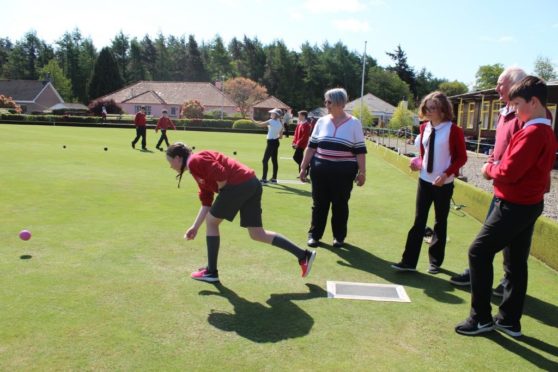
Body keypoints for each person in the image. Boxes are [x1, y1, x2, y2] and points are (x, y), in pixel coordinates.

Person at [455, 76, 557, 337]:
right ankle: (509, 320)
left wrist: (490, 168)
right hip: (527, 204)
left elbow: (509, 170)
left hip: (514, 204)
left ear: (533, 103)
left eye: (517, 103)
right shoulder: (541, 129)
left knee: (478, 252)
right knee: (514, 263)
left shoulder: (534, 132)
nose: (513, 109)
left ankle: (481, 318)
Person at [165, 142, 317, 283]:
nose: (170, 166)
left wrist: (225, 192)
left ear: (178, 158)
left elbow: (221, 174)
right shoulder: (194, 168)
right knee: (257, 234)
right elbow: (206, 201)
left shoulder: (194, 161)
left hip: (240, 184)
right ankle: (304, 255)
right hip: (251, 183)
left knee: (212, 222)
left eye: (170, 161)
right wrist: (195, 227)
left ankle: (211, 272)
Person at [450, 67, 527, 292]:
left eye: (500, 83)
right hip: (501, 185)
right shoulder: (504, 113)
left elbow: (519, 154)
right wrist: (492, 160)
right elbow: (500, 146)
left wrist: (494, 168)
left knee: (504, 241)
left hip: (516, 190)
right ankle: (485, 276)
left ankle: (501, 281)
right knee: (495, 235)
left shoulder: (524, 116)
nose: (496, 88)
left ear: (515, 86)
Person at [391, 91, 467, 274]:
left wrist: (447, 174)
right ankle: (408, 262)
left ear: (443, 110)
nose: (429, 111)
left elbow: (461, 158)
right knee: (419, 221)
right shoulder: (424, 128)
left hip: (444, 183)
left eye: (433, 108)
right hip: (424, 181)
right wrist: (417, 163)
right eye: (426, 108)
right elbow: (425, 153)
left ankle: (435, 262)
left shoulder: (453, 130)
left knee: (440, 222)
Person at [299, 88, 367, 248]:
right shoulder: (321, 122)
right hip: (320, 170)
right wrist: (303, 167)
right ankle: (314, 236)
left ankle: (339, 237)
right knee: (319, 204)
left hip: (344, 173)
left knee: (340, 205)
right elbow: (311, 146)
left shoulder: (354, 123)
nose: (326, 104)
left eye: (329, 101)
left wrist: (362, 172)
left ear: (339, 103)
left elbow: (360, 151)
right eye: (326, 101)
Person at [254, 108, 284, 184]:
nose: (271, 114)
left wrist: (251, 119)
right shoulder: (281, 122)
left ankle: (264, 179)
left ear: (276, 115)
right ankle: (274, 179)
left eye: (272, 113)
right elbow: (280, 136)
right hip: (276, 142)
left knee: (264, 160)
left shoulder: (271, 121)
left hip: (271, 142)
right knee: (274, 160)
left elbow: (259, 125)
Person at [292, 110, 312, 176]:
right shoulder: (300, 124)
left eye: (299, 115)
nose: (298, 116)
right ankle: (302, 173)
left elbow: (304, 137)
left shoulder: (307, 125)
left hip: (302, 145)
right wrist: (294, 142)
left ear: (303, 116)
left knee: (296, 157)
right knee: (300, 158)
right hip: (298, 144)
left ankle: (307, 167)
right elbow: (296, 134)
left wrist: (297, 144)